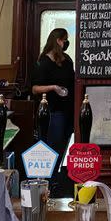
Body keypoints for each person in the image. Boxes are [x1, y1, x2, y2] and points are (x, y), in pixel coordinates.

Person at [31, 28, 75, 158]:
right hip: (53, 111)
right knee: (53, 145)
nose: (67, 43)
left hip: (68, 109)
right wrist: (53, 87)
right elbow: (35, 88)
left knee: (65, 144)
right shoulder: (43, 62)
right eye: (65, 40)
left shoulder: (66, 59)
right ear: (58, 41)